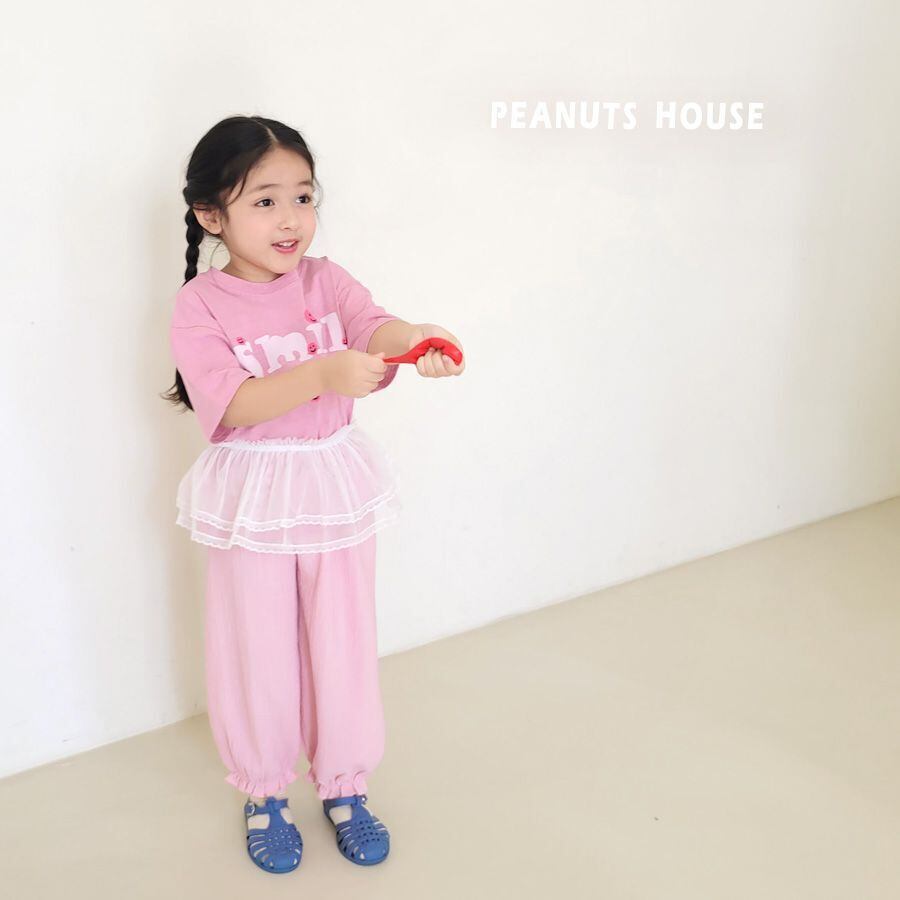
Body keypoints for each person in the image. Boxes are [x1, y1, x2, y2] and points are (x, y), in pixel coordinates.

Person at [161, 115, 465, 873]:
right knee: (257, 647)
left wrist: (415, 337)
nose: (291, 218)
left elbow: (373, 325)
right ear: (211, 215)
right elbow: (232, 405)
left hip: (332, 487)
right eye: (264, 201)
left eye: (303, 196)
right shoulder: (200, 305)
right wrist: (323, 372)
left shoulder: (326, 280)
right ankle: (264, 792)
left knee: (342, 639)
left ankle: (345, 785)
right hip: (254, 499)